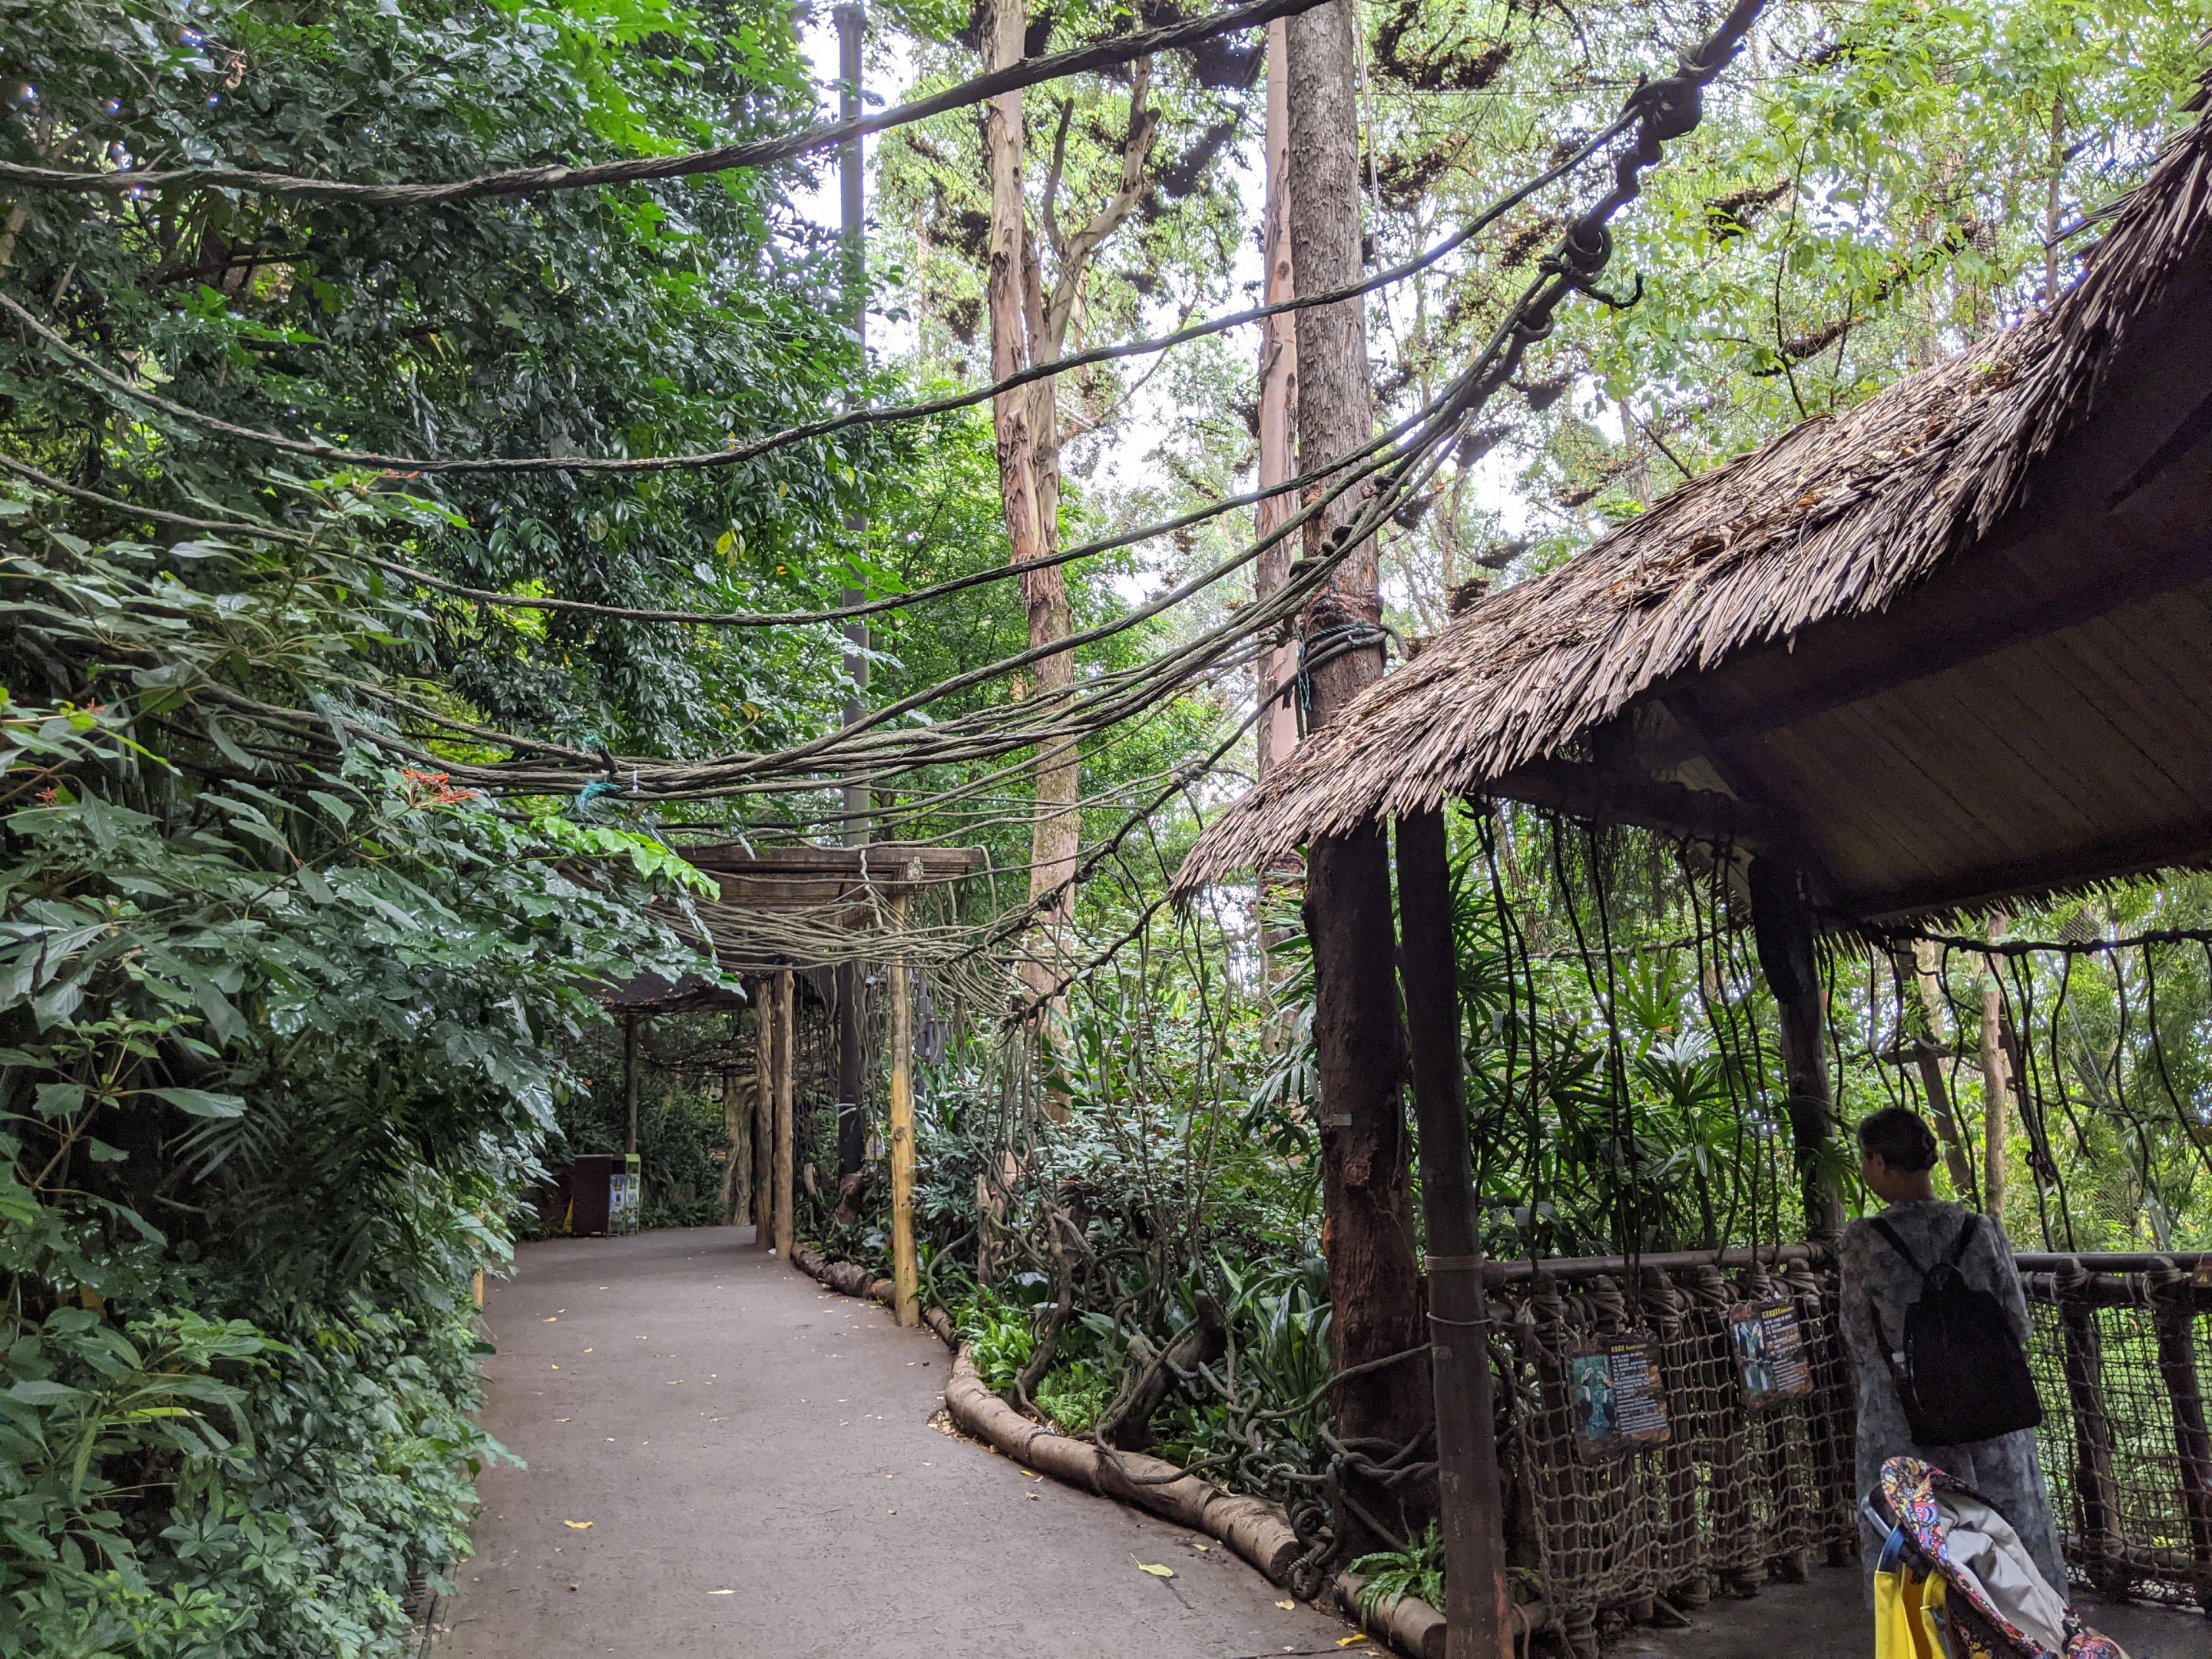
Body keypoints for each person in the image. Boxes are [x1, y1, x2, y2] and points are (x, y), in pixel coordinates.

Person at [1839, 1107, 2065, 1597]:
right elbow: (2017, 1324)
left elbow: (1859, 1338)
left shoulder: (1864, 1241)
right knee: (2010, 1535)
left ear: (1877, 1162)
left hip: (1905, 1427)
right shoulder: (1981, 1229)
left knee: (1915, 1543)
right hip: (1993, 1419)